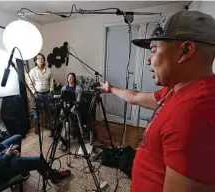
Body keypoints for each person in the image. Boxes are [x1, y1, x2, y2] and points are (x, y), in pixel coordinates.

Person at [100, 10, 215, 192]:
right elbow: (136, 97)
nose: (148, 60)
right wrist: (111, 88)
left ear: (185, 50)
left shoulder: (194, 112)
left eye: (153, 50)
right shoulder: (178, 90)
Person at [28, 53, 54, 135]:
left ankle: (48, 126)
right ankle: (37, 127)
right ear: (36, 61)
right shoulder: (32, 71)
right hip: (37, 94)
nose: (41, 60)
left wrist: (51, 91)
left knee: (48, 111)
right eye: (39, 58)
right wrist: (34, 93)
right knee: (36, 111)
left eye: (42, 58)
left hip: (47, 94)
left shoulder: (48, 70)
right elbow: (30, 83)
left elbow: (51, 82)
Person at [58, 73, 82, 150]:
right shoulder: (64, 88)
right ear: (67, 79)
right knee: (64, 125)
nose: (70, 79)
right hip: (65, 109)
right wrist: (63, 109)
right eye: (69, 78)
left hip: (73, 110)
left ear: (74, 79)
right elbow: (62, 100)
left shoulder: (78, 89)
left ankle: (64, 142)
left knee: (67, 125)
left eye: (71, 78)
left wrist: (72, 109)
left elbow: (77, 102)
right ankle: (64, 140)